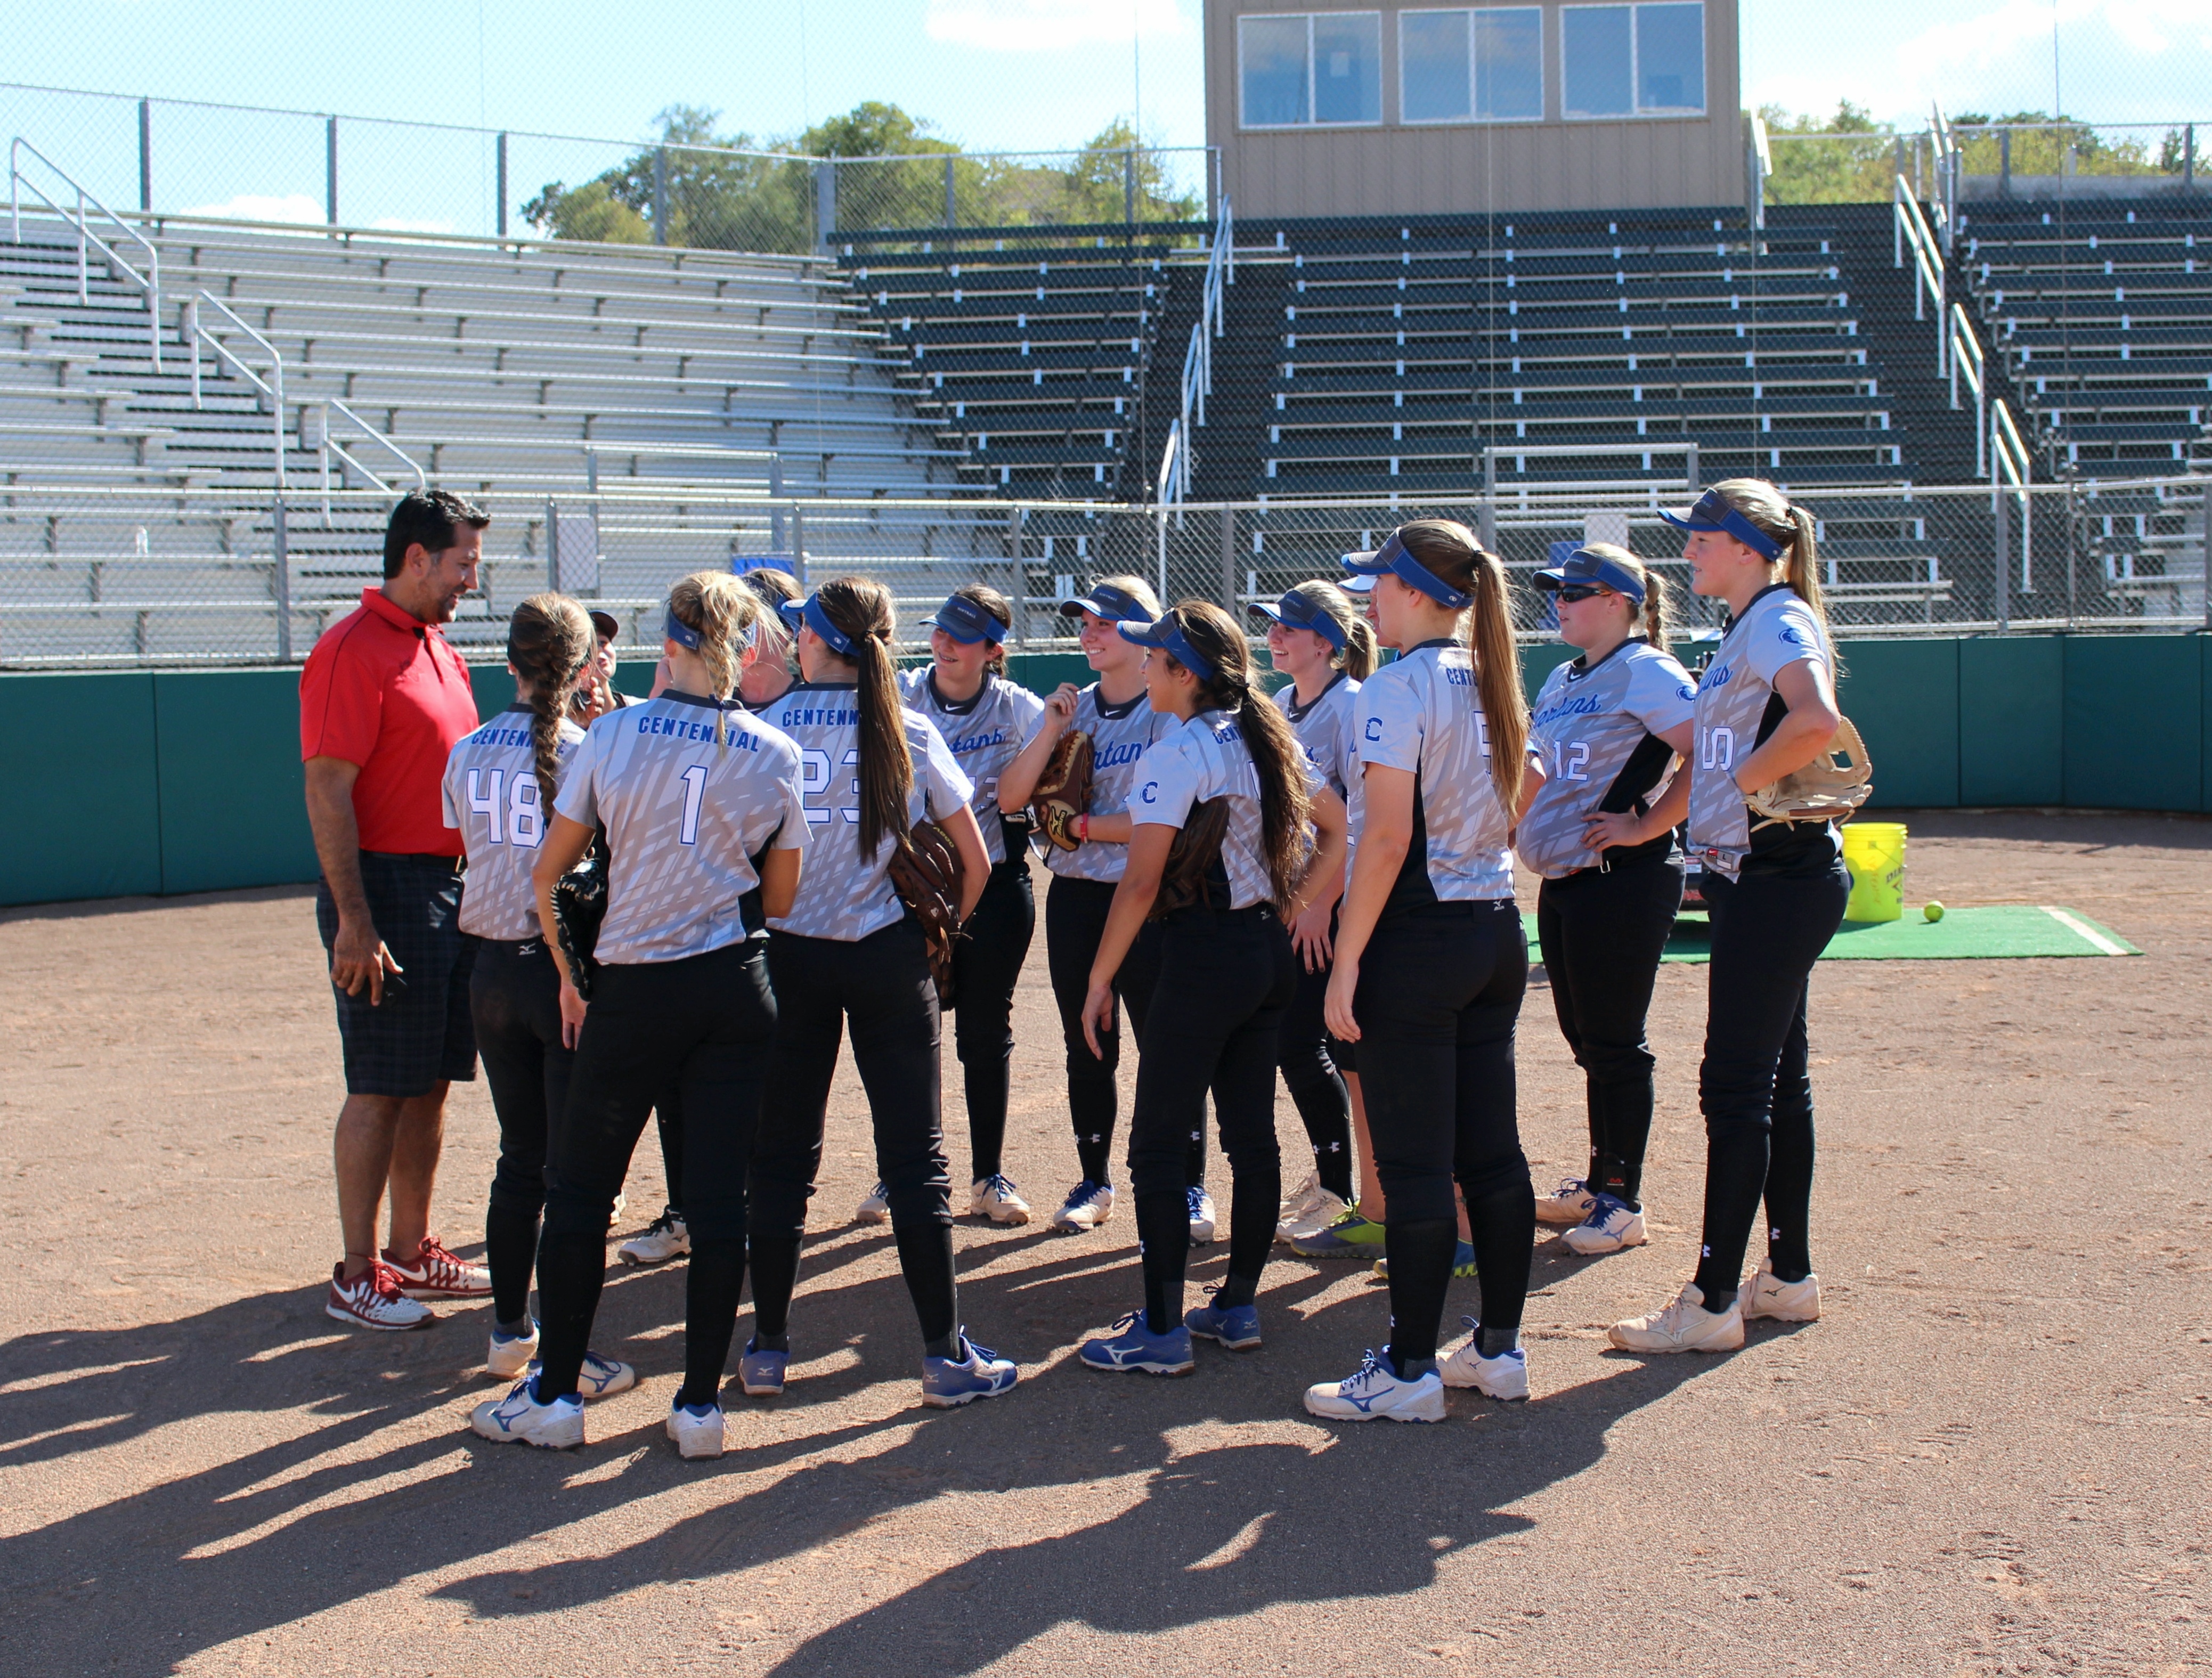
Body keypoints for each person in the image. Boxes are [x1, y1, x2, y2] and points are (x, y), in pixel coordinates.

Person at [471, 572, 809, 1457]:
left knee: (581, 1191)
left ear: (669, 644)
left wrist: (571, 975)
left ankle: (556, 1396)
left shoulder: (612, 734)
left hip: (634, 986)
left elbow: (549, 875)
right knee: (719, 1199)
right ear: (745, 649)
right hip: (733, 983)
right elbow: (779, 897)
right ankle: (699, 1407)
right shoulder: (774, 748)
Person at [746, 578, 1020, 1410]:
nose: (794, 640)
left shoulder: (767, 726)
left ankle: (766, 1349)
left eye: (801, 630)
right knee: (916, 1160)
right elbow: (977, 861)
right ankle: (943, 1355)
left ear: (818, 640)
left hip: (789, 956)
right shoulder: (909, 724)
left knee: (783, 1158)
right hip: (886, 956)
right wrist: (940, 937)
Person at [1609, 482, 1850, 1355]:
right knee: (1777, 1083)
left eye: (1703, 538)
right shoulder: (1752, 623)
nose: (1688, 552)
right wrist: (1655, 821)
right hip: (1773, 878)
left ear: (1749, 547)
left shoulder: (1777, 619)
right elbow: (1728, 752)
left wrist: (1744, 781)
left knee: (1736, 1088)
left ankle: (1712, 1301)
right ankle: (1787, 1278)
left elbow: (1815, 719)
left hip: (1775, 880)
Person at [1075, 602, 1346, 1374]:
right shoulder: (1266, 732)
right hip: (1261, 951)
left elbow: (1139, 884)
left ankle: (1161, 1330)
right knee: (1251, 1136)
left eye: (1156, 658)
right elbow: (1340, 828)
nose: (1146, 667)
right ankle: (1237, 1305)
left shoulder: (1180, 751)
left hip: (1202, 957)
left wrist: (1099, 977)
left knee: (1158, 1143)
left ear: (1184, 673)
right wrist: (1290, 905)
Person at [1306, 521, 1537, 1422]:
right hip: (1494, 928)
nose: (1371, 597)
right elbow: (1529, 790)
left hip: (1419, 939)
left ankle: (1408, 1372)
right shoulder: (1491, 671)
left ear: (1415, 592)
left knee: (1414, 1168)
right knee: (1492, 1155)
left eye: (1382, 582)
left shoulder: (1397, 686)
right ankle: (1498, 1351)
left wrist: (1347, 960)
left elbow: (1387, 838)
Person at [302, 488, 495, 1331]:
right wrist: (355, 918)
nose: (470, 581)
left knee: (431, 1083)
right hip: (383, 889)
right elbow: (327, 789)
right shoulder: (350, 648)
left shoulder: (439, 648)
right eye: (462, 565)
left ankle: (412, 1252)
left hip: (449, 887)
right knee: (380, 1085)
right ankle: (356, 1272)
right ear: (417, 558)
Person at [442, 594, 633, 1396]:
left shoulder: (467, 750)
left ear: (510, 663)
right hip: (562, 975)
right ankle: (565, 1352)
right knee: (571, 1174)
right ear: (584, 667)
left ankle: (509, 1331)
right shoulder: (592, 750)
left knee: (519, 1158)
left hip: (488, 970)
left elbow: (464, 840)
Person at [997, 577, 1211, 1241]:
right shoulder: (1073, 709)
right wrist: (1049, 730)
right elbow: (1011, 799)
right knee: (1087, 1044)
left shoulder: (1167, 708)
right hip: (1079, 899)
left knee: (1167, 1043)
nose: (1089, 633)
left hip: (1153, 898)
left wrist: (1085, 826)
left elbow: (1168, 816)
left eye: (1104, 623)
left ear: (1143, 633)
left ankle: (1191, 1186)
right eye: (1083, 623)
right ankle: (1094, 1181)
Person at [1517, 545, 1698, 1257]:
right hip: (1566, 880)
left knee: (1615, 1042)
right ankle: (1599, 1183)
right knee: (1585, 1038)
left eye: (1574, 592)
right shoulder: (1562, 676)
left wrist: (1647, 824)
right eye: (1556, 592)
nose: (1559, 602)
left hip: (1626, 876)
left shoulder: (1648, 669)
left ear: (1620, 602)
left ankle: (1623, 1199)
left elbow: (1708, 750)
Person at [617, 573, 796, 1270]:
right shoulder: (688, 695)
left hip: (756, 926)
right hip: (701, 925)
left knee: (755, 1081)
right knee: (682, 1079)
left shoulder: (790, 710)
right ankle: (691, 1212)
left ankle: (750, 1210)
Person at [892, 587, 1046, 1224]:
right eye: (940, 630)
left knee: (984, 1033)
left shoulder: (1015, 707)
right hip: (912, 890)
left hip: (996, 890)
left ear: (993, 651)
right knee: (906, 1033)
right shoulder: (904, 694)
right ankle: (901, 1174)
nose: (944, 643)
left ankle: (988, 1177)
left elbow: (1066, 754)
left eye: (961, 636)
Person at [1245, 583, 1376, 1250]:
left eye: (1288, 628)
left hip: (1333, 907)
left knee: (1305, 1044)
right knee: (1297, 1045)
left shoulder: (1352, 705)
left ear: (1326, 642)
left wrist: (1324, 904)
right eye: (1271, 626)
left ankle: (1339, 1188)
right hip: (1295, 899)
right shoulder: (1281, 707)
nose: (1274, 636)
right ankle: (1337, 1183)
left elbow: (1364, 817)